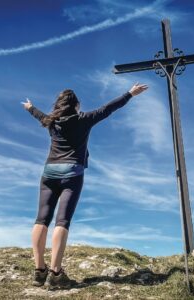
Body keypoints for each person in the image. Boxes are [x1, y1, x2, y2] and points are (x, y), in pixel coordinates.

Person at [21, 82, 148, 290]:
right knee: (62, 221)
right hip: (71, 173)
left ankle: (39, 270)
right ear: (77, 105)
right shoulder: (84, 119)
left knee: (41, 219)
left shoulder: (51, 121)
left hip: (49, 172)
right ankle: (55, 273)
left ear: (60, 105)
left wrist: (30, 107)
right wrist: (130, 94)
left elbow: (39, 115)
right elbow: (108, 108)